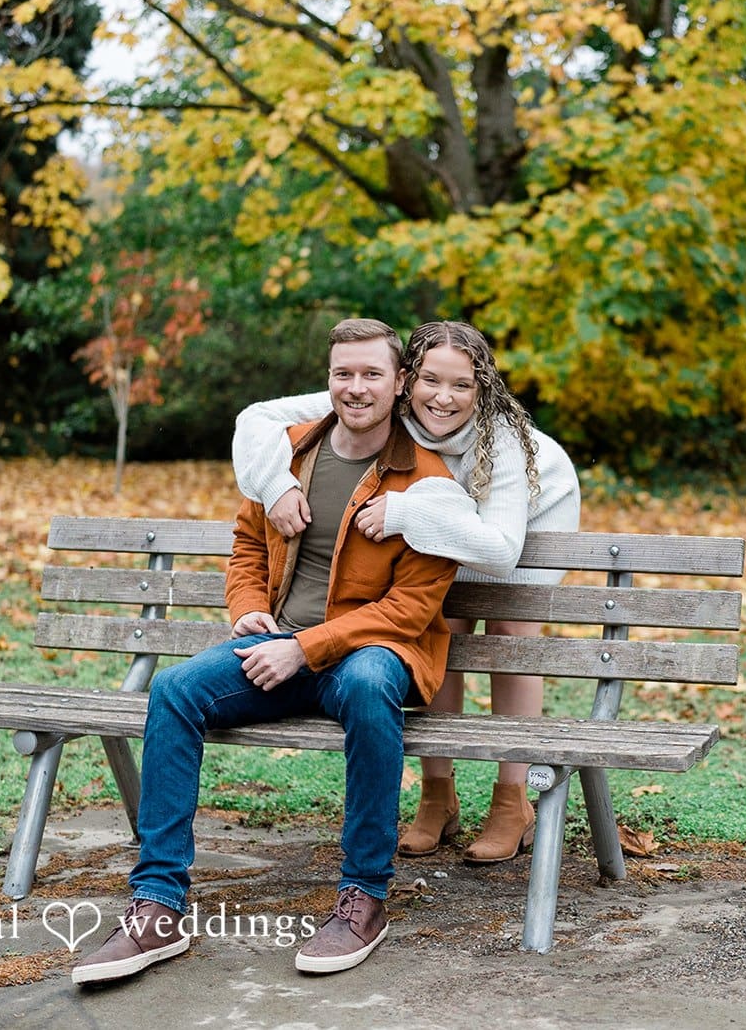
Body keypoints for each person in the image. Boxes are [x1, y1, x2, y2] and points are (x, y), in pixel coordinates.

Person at [72, 318, 459, 983]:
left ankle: (364, 896)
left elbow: (410, 609)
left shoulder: (428, 483)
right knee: (175, 689)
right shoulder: (288, 455)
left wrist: (303, 648)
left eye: (372, 373)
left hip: (370, 652)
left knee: (369, 684)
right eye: (343, 373)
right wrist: (248, 608)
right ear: (328, 379)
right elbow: (248, 543)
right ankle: (158, 903)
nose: (356, 387)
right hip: (278, 647)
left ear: (400, 384)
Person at [232, 320, 581, 864]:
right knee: (438, 622)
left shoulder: (502, 440)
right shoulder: (380, 396)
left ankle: (512, 801)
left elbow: (500, 551)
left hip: (523, 523)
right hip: (446, 524)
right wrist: (275, 484)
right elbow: (255, 419)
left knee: (508, 629)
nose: (443, 398)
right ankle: (437, 797)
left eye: (462, 385)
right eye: (430, 381)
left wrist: (404, 513)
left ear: (482, 388)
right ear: (406, 380)